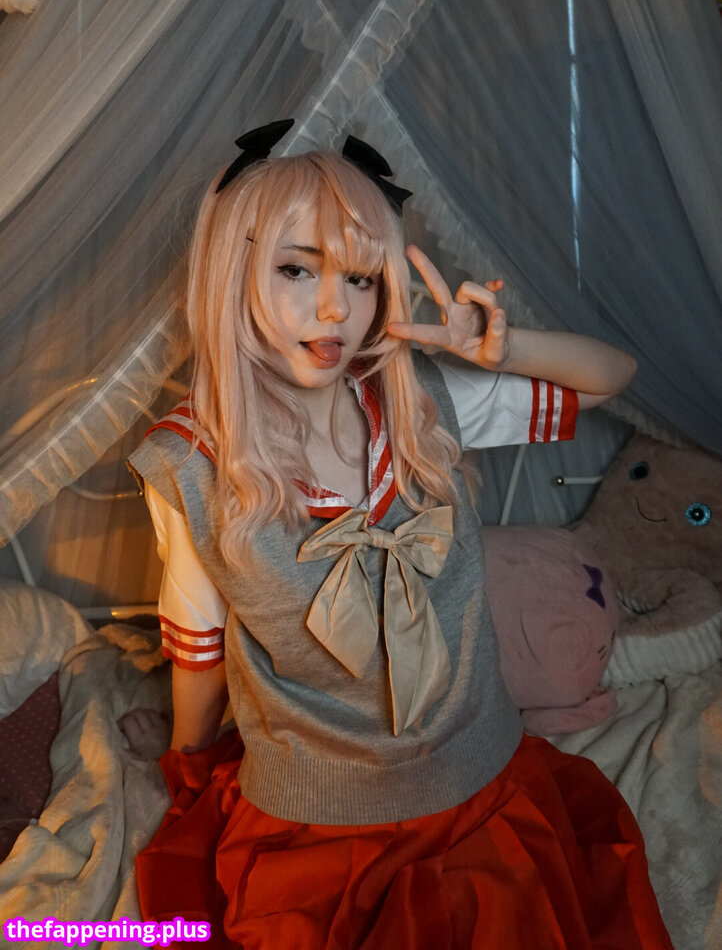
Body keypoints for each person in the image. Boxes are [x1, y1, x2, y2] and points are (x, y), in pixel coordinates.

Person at [121, 122, 671, 949]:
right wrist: (191, 770)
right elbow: (197, 647)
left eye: (361, 277)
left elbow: (612, 378)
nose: (335, 308)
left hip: (478, 782)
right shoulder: (189, 466)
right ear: (232, 273)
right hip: (314, 816)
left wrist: (501, 349)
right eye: (297, 269)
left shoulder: (419, 401)